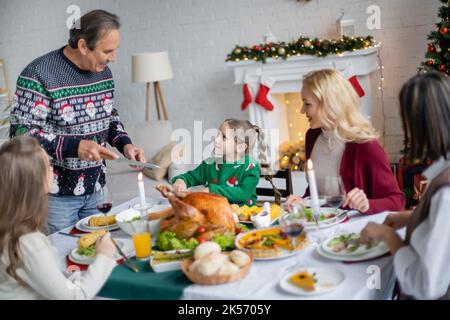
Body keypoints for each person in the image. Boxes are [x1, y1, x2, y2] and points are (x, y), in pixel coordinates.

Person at [9, 10, 145, 234]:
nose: (113, 58)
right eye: (107, 51)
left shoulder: (104, 73)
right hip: (55, 198)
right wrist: (75, 146)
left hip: (98, 189)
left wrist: (125, 144)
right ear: (83, 45)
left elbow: (109, 116)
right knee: (65, 262)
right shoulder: (38, 74)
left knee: (102, 255)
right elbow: (21, 136)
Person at [361, 72, 450, 300]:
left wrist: (389, 236)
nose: (406, 132)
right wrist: (410, 217)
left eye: (407, 121)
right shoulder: (443, 172)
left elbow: (426, 285)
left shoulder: (445, 193)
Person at [0, 136, 117, 299]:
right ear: (36, 180)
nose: (52, 169)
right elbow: (76, 297)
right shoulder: (26, 241)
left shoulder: (11, 229)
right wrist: (103, 256)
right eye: (48, 164)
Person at [286, 69, 405, 214]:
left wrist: (367, 204)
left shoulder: (366, 146)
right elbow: (320, 190)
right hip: (324, 226)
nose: (302, 110)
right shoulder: (312, 136)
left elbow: (397, 201)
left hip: (355, 231)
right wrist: (303, 201)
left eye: (307, 104)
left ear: (328, 104)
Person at [172, 119, 268, 206]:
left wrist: (211, 190)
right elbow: (190, 177)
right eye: (217, 134)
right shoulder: (209, 164)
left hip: (242, 217)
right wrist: (181, 181)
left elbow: (243, 193)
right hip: (212, 212)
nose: (216, 139)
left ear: (240, 147)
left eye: (223, 137)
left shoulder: (251, 167)